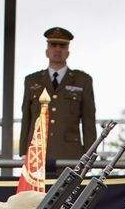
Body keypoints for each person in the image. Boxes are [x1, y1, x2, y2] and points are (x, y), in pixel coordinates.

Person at [19, 28, 97, 164]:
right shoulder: (32, 80)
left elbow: (88, 122)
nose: (57, 49)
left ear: (68, 51)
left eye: (62, 46)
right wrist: (23, 151)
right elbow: (27, 118)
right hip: (36, 152)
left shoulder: (82, 80)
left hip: (69, 153)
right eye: (53, 45)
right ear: (46, 51)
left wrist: (89, 155)